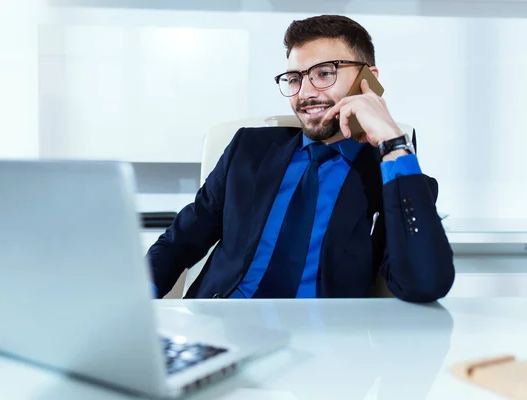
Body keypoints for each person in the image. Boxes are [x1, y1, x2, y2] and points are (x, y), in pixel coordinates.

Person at [146, 14, 455, 302]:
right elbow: (179, 243)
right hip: (220, 327)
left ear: (368, 79)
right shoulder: (248, 150)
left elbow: (425, 283)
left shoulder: (392, 177)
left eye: (324, 73)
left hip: (322, 345)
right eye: (294, 78)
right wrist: (128, 304)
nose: (305, 93)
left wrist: (393, 141)